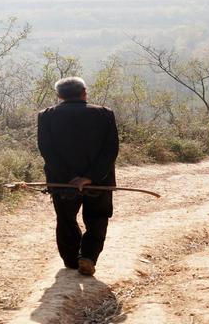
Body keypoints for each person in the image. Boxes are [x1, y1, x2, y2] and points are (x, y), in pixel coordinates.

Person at [37, 77, 119, 276]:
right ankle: (88, 257)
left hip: (61, 182)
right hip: (99, 181)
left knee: (65, 219)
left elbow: (47, 150)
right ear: (84, 92)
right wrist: (89, 177)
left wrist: (70, 177)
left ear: (59, 96)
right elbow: (111, 150)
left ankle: (72, 262)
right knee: (97, 218)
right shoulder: (104, 114)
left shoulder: (46, 115)